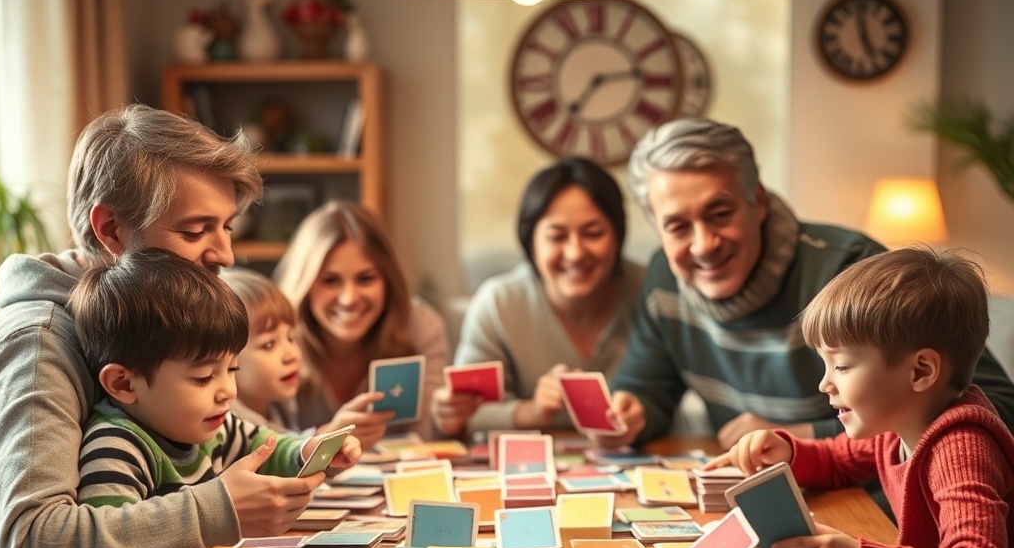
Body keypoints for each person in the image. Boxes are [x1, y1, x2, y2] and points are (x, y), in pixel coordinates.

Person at [0, 104, 326, 548]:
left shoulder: (149, 320)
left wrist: (304, 451)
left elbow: (240, 433)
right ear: (111, 230)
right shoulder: (40, 342)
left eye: (226, 227)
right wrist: (215, 508)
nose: (225, 254)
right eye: (196, 230)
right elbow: (37, 546)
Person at [596, 118, 1014, 450]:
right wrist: (631, 413)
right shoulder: (664, 277)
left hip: (869, 509)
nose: (704, 244)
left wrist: (806, 436)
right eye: (677, 226)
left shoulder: (850, 269)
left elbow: (997, 407)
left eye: (720, 213)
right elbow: (647, 388)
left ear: (757, 202)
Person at [715, 247, 1014, 548]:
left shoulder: (960, 448)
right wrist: (787, 450)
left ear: (920, 372)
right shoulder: (901, 427)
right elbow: (839, 460)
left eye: (842, 366)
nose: (825, 384)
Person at [69, 250, 359, 505]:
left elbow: (272, 449)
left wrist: (311, 450)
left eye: (232, 370)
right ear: (123, 383)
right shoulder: (116, 448)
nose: (228, 392)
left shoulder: (219, 428)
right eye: (204, 377)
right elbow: (111, 539)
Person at [430, 157, 645, 437]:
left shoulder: (649, 290)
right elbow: (466, 414)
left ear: (617, 235)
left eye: (593, 233)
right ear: (530, 241)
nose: (575, 253)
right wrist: (532, 410)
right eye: (557, 237)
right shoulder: (499, 303)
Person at [275, 201, 449, 446]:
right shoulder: (272, 338)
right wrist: (322, 442)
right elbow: (251, 442)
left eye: (366, 279)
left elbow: (428, 435)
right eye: (330, 281)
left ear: (388, 280)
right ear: (305, 285)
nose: (349, 299)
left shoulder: (420, 325)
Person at [222, 266, 303, 431]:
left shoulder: (281, 406)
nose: (291, 355)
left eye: (290, 338)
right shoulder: (231, 426)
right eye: (269, 345)